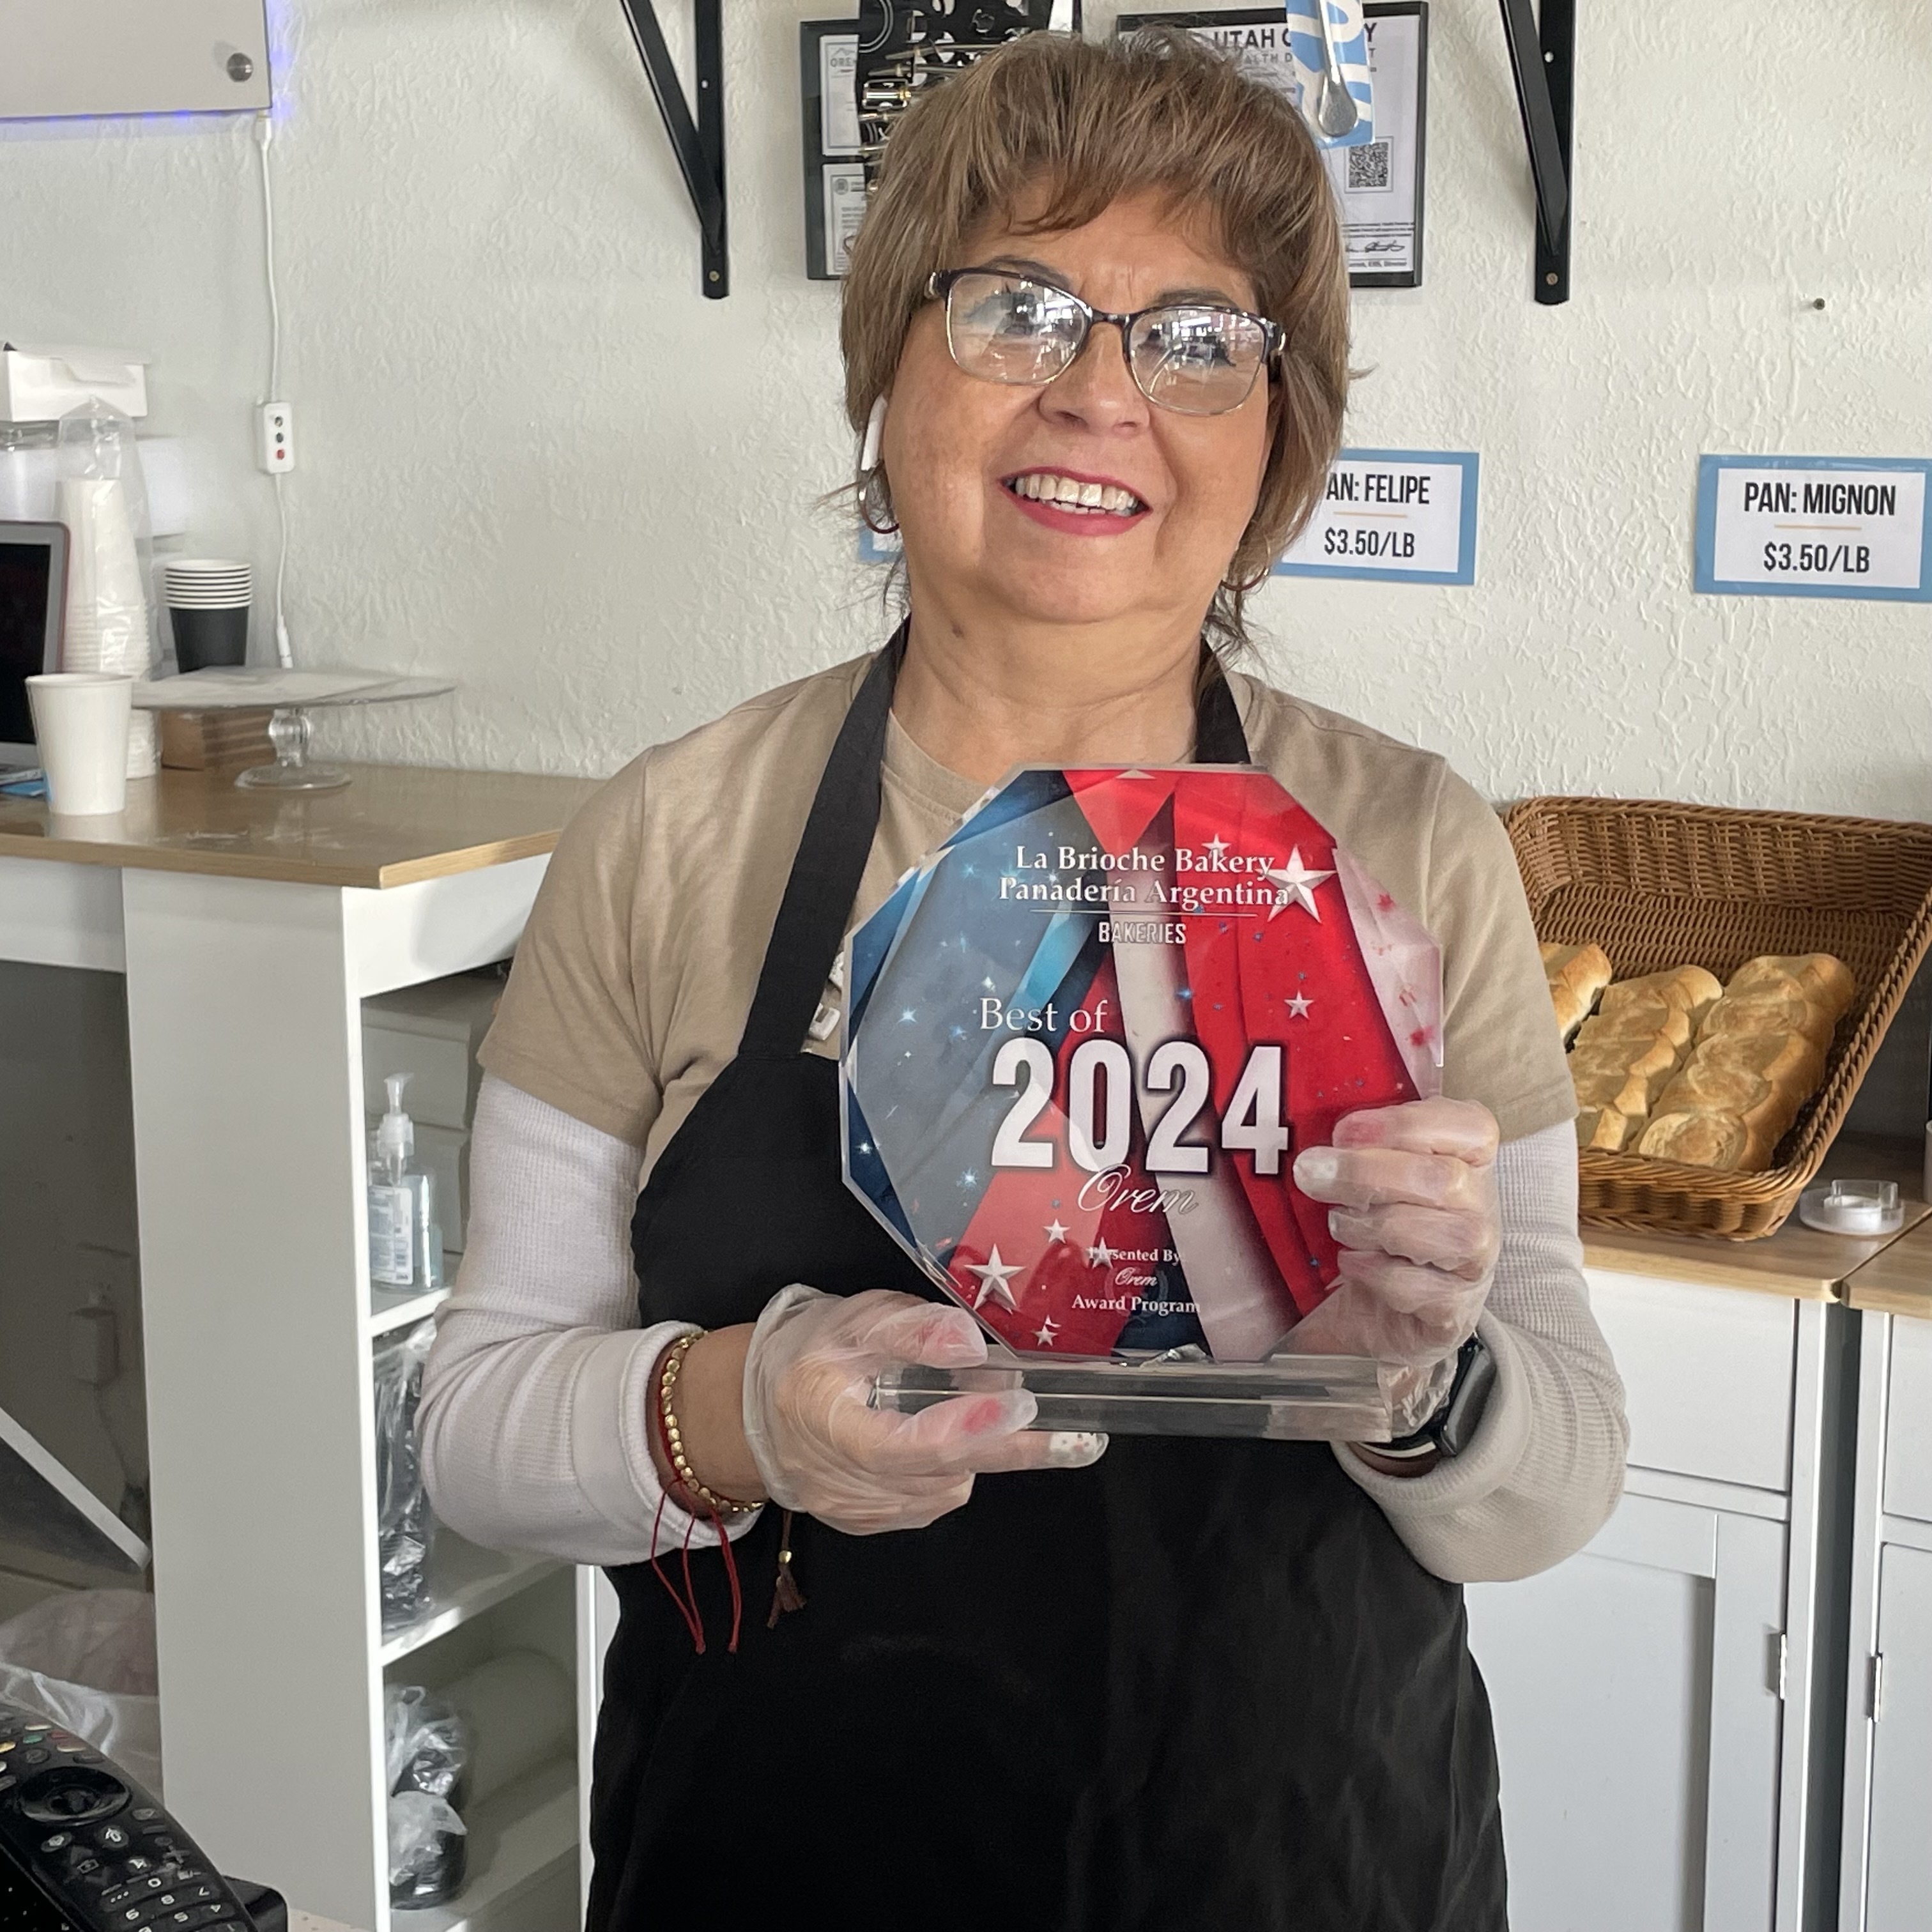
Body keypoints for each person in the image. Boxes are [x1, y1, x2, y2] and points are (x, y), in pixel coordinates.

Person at [420, 31, 1627, 1931]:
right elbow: (479, 1431)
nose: (1098, 393)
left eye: (1198, 339)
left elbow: (1554, 1484)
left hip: (1306, 1863)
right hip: (784, 1867)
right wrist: (746, 1412)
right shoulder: (670, 837)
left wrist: (1421, 1374)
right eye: (1016, 308)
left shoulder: (1411, 841)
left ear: (1276, 434)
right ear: (888, 370)